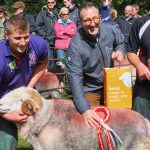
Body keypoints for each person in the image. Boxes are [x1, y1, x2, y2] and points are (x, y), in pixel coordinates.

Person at [66, 2, 125, 128]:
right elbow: (75, 78)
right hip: (91, 89)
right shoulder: (75, 46)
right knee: (93, 125)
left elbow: (121, 41)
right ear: (80, 22)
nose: (92, 24)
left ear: (100, 17)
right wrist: (84, 109)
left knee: (119, 123)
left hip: (112, 85)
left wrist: (120, 51)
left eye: (95, 18)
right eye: (87, 20)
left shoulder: (109, 29)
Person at [0, 15, 48, 150]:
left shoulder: (39, 44)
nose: (22, 42)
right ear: (6, 35)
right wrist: (6, 114)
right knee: (7, 141)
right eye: (17, 38)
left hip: (26, 95)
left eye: (26, 37)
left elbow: (43, 63)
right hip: (3, 101)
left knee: (43, 137)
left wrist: (30, 87)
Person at [127, 14, 150, 120]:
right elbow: (130, 52)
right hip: (145, 85)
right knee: (141, 130)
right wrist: (140, 65)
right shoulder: (141, 23)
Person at [36, 0, 58, 68]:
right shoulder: (42, 13)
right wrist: (44, 35)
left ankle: (57, 78)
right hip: (46, 40)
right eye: (48, 2)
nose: (50, 4)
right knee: (48, 62)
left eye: (52, 2)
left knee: (57, 63)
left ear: (55, 3)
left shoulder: (57, 14)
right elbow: (38, 26)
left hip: (57, 40)